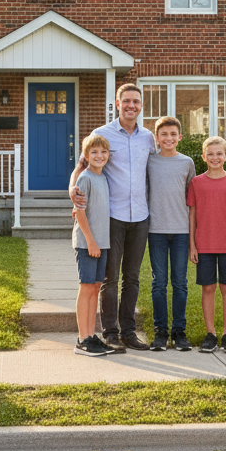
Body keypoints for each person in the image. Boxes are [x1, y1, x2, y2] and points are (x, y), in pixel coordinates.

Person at [69, 83, 156, 350]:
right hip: (113, 218)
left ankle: (129, 331)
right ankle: (110, 332)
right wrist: (72, 188)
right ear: (118, 104)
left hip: (140, 216)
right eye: (126, 101)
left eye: (136, 102)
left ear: (141, 106)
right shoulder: (101, 134)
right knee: (109, 279)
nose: (132, 106)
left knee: (132, 277)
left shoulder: (148, 138)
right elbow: (82, 167)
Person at [187, 135, 226, 354]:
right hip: (204, 245)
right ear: (203, 157)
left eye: (219, 153)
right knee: (208, 288)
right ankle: (211, 334)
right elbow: (192, 213)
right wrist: (192, 245)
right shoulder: (196, 183)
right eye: (210, 154)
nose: (215, 157)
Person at [145, 116, 197, 352]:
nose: (168, 138)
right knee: (159, 284)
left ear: (180, 137)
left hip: (180, 231)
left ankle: (179, 332)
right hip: (155, 230)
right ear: (157, 138)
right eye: (163, 134)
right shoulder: (149, 161)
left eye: (173, 134)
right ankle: (160, 333)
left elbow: (193, 198)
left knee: (180, 283)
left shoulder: (187, 163)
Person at [72, 134, 117, 357]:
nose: (99, 156)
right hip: (87, 242)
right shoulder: (85, 178)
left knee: (96, 287)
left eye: (103, 152)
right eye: (94, 152)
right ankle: (82, 339)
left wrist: (99, 242)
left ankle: (91, 336)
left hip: (103, 242)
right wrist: (90, 240)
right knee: (86, 287)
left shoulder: (103, 177)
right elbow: (80, 212)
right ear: (86, 156)